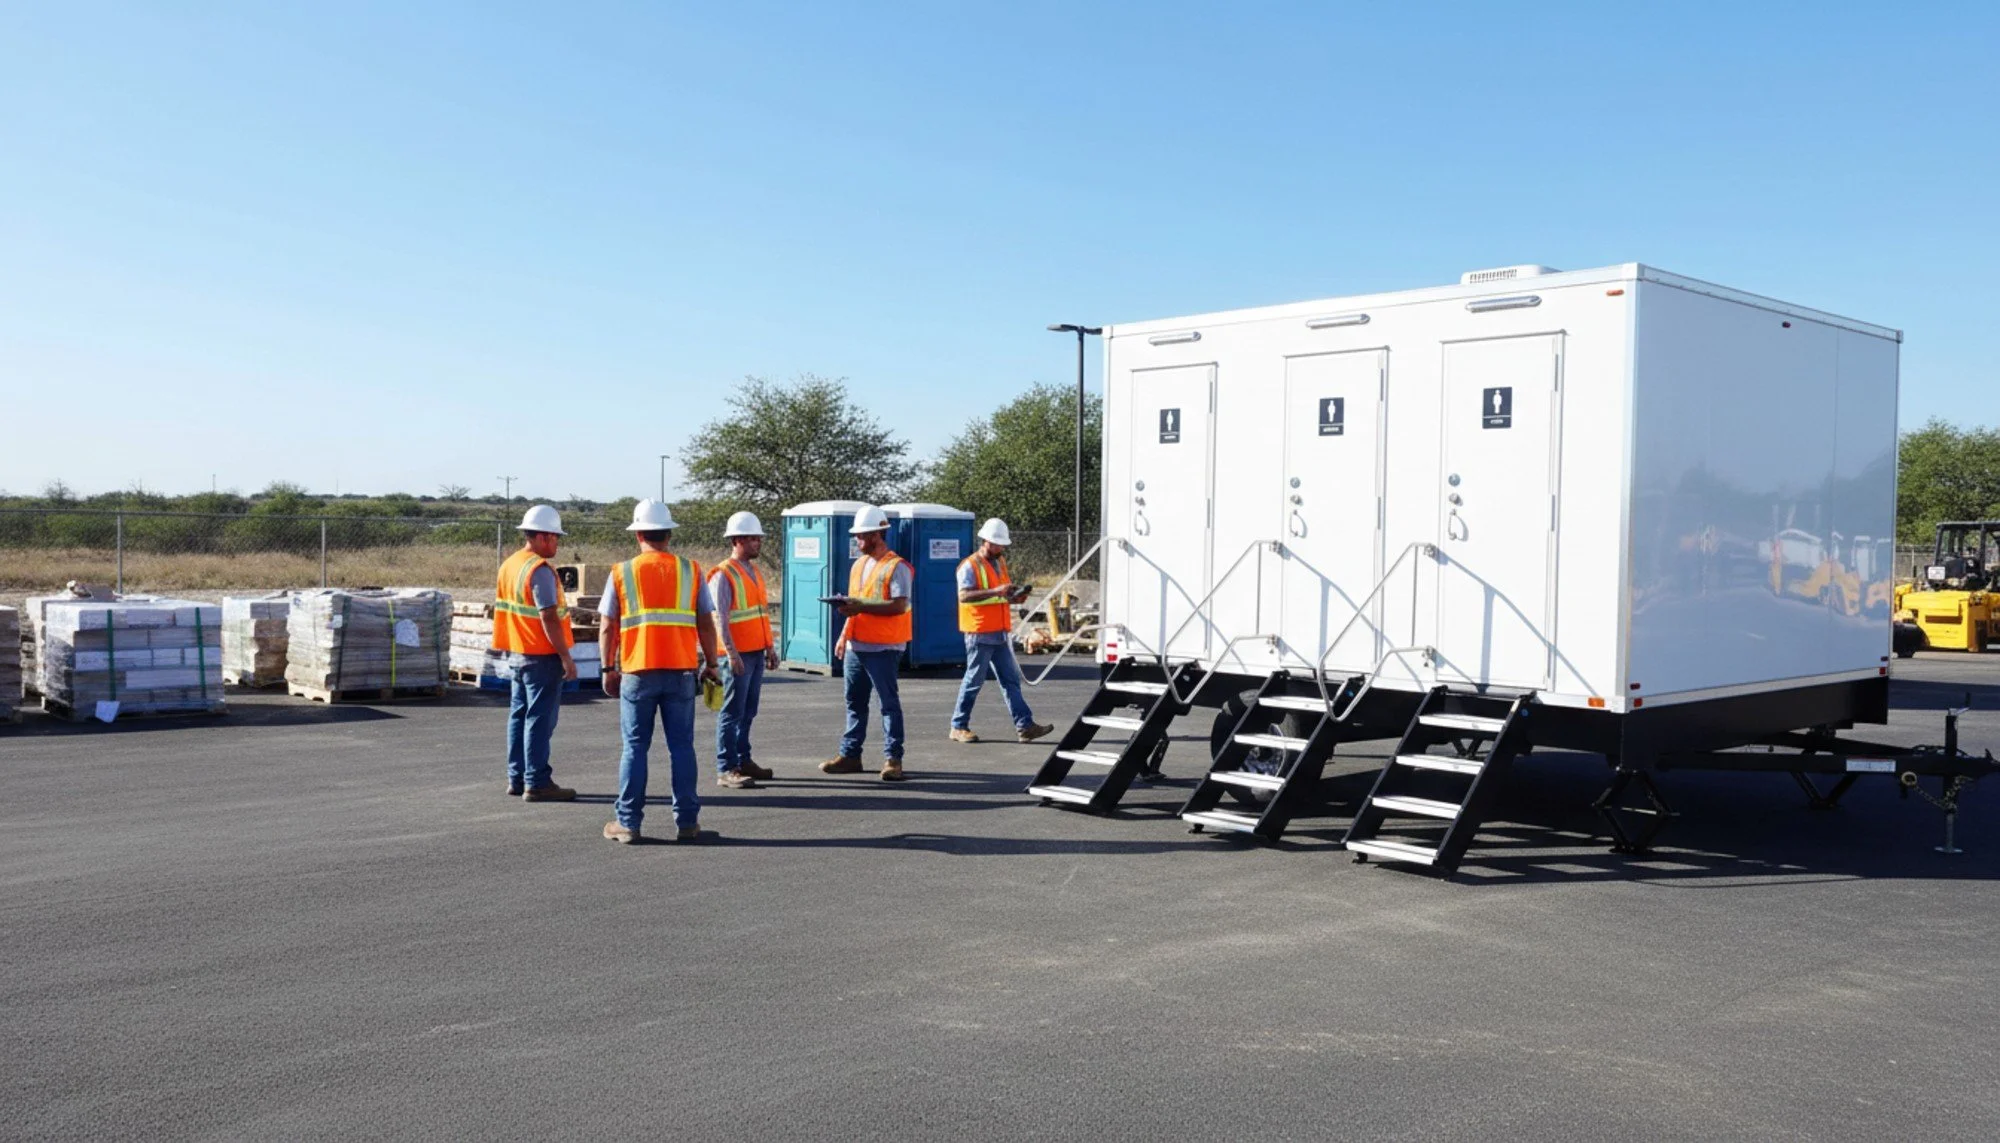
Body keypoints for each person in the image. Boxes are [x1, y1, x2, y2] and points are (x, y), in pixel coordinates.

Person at [598, 499, 722, 844]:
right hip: (681, 671)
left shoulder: (621, 572)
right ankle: (686, 823)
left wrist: (608, 667)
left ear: (638, 533)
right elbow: (706, 624)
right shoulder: (691, 570)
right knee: (682, 747)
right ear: (669, 534)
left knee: (635, 747)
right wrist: (711, 664)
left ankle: (628, 823)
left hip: (638, 672)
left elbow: (607, 626)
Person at [491, 504, 578, 802]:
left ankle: (517, 777)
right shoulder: (538, 569)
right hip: (541, 655)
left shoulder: (510, 564)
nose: (556, 543)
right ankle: (537, 781)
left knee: (519, 716)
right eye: (554, 537)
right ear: (541, 536)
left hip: (517, 652)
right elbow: (549, 617)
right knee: (539, 719)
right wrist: (566, 656)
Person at [822, 504, 913, 781]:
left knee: (888, 704)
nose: (857, 540)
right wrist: (844, 634)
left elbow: (898, 606)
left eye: (861, 536)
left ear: (877, 534)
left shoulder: (898, 567)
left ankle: (893, 759)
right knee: (854, 702)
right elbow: (855, 603)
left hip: (884, 647)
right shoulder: (859, 565)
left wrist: (861, 607)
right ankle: (851, 755)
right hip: (857, 644)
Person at [949, 518, 1053, 744]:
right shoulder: (969, 565)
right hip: (979, 632)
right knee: (973, 681)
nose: (999, 548)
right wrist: (998, 590)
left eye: (1001, 544)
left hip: (999, 632)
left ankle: (1025, 726)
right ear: (984, 540)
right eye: (996, 544)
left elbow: (1000, 595)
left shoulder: (999, 562)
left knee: (1010, 680)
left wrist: (1015, 596)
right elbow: (964, 596)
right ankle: (958, 726)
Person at [709, 510, 779, 788]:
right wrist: (731, 653)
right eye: (752, 539)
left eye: (758, 538)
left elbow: (760, 613)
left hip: (755, 652)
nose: (758, 543)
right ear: (736, 540)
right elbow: (720, 619)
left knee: (748, 711)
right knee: (731, 712)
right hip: (736, 656)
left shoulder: (753, 571)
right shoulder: (723, 574)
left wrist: (770, 647)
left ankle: (743, 759)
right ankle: (726, 767)